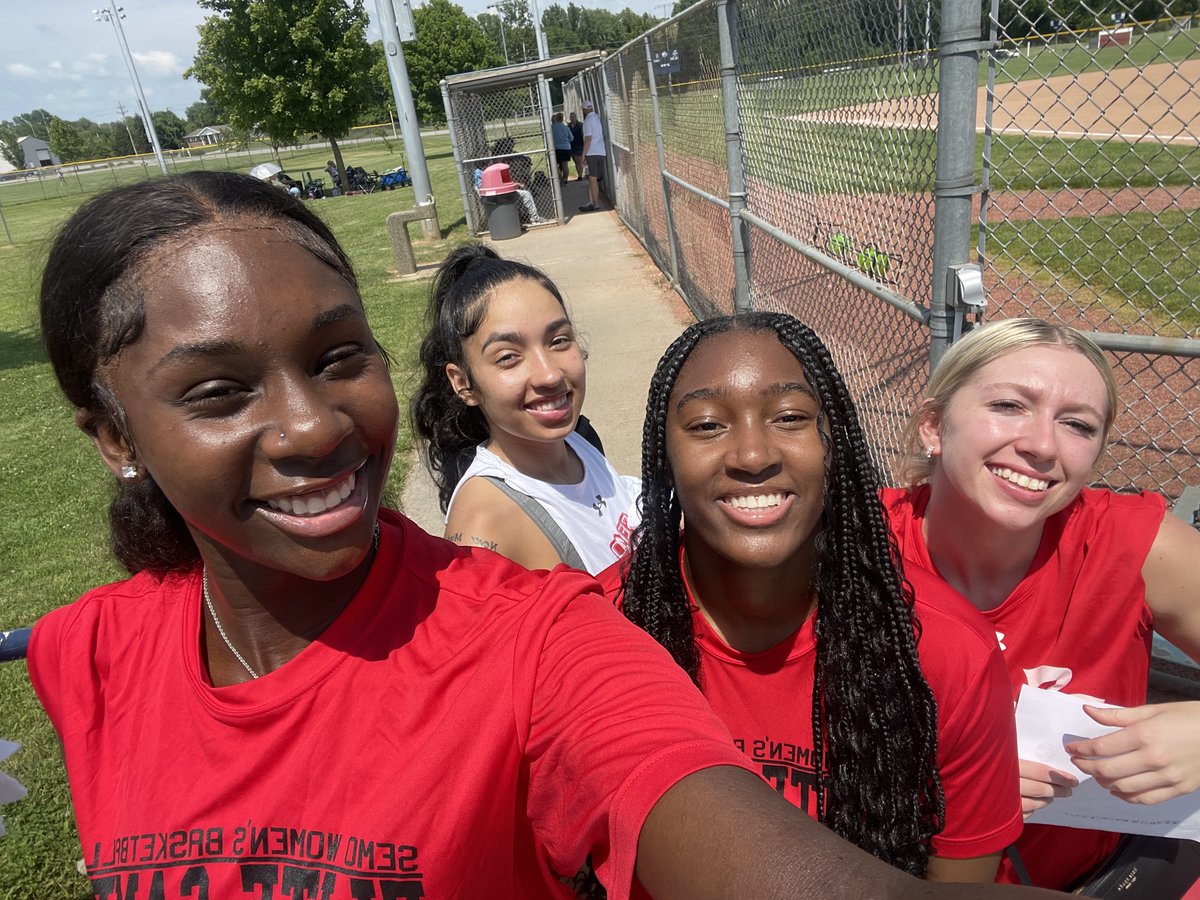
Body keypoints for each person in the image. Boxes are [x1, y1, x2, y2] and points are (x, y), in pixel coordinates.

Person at [25, 171, 1063, 900]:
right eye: (218, 389)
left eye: (339, 357)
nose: (311, 424)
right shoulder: (86, 656)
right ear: (113, 431)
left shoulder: (546, 637)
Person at [604, 312, 1023, 883]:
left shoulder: (943, 651)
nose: (752, 456)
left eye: (790, 417)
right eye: (706, 425)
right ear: (663, 457)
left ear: (836, 444)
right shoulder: (603, 629)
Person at [884, 317, 1200, 891]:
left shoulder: (1133, 546)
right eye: (1008, 405)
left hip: (1091, 876)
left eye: (1077, 424)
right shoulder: (855, 547)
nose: (1041, 445)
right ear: (933, 425)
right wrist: (950, 778)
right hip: (887, 874)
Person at [412, 244, 638, 574]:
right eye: (508, 357)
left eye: (559, 340)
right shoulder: (485, 528)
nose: (549, 374)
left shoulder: (579, 438)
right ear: (463, 384)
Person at [474, 163, 546, 225]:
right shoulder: (479, 172)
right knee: (508, 199)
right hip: (492, 195)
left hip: (505, 192)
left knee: (526, 194)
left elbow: (504, 182)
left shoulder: (492, 165)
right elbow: (481, 188)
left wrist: (516, 184)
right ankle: (514, 220)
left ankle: (534, 217)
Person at [578, 100, 606, 212]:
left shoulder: (588, 121)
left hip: (592, 152)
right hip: (601, 152)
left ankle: (596, 204)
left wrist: (583, 154)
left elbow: (588, 139)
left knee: (592, 179)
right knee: (593, 179)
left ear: (584, 110)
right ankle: (592, 201)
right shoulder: (597, 118)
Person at [552, 112, 574, 183]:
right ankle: (565, 179)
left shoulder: (552, 128)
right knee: (565, 165)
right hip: (566, 148)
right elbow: (571, 138)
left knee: (554, 165)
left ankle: (560, 177)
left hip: (556, 148)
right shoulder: (566, 127)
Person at [568, 111, 586, 181]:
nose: (572, 118)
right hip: (572, 146)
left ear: (576, 117)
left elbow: (583, 134)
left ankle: (580, 176)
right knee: (576, 162)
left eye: (573, 116)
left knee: (579, 162)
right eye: (571, 117)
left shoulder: (580, 125)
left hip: (579, 145)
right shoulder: (568, 126)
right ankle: (579, 174)